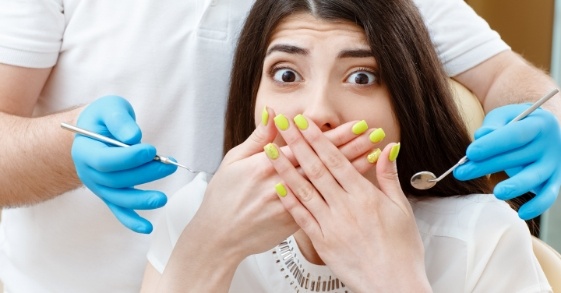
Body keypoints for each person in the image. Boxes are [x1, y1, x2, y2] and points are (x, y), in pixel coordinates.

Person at [0, 0, 559, 292]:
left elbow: (509, 76)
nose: (316, 113)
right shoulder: (192, 219)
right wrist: (61, 147)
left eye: (363, 77)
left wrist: (546, 116)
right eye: (286, 75)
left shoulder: (476, 243)